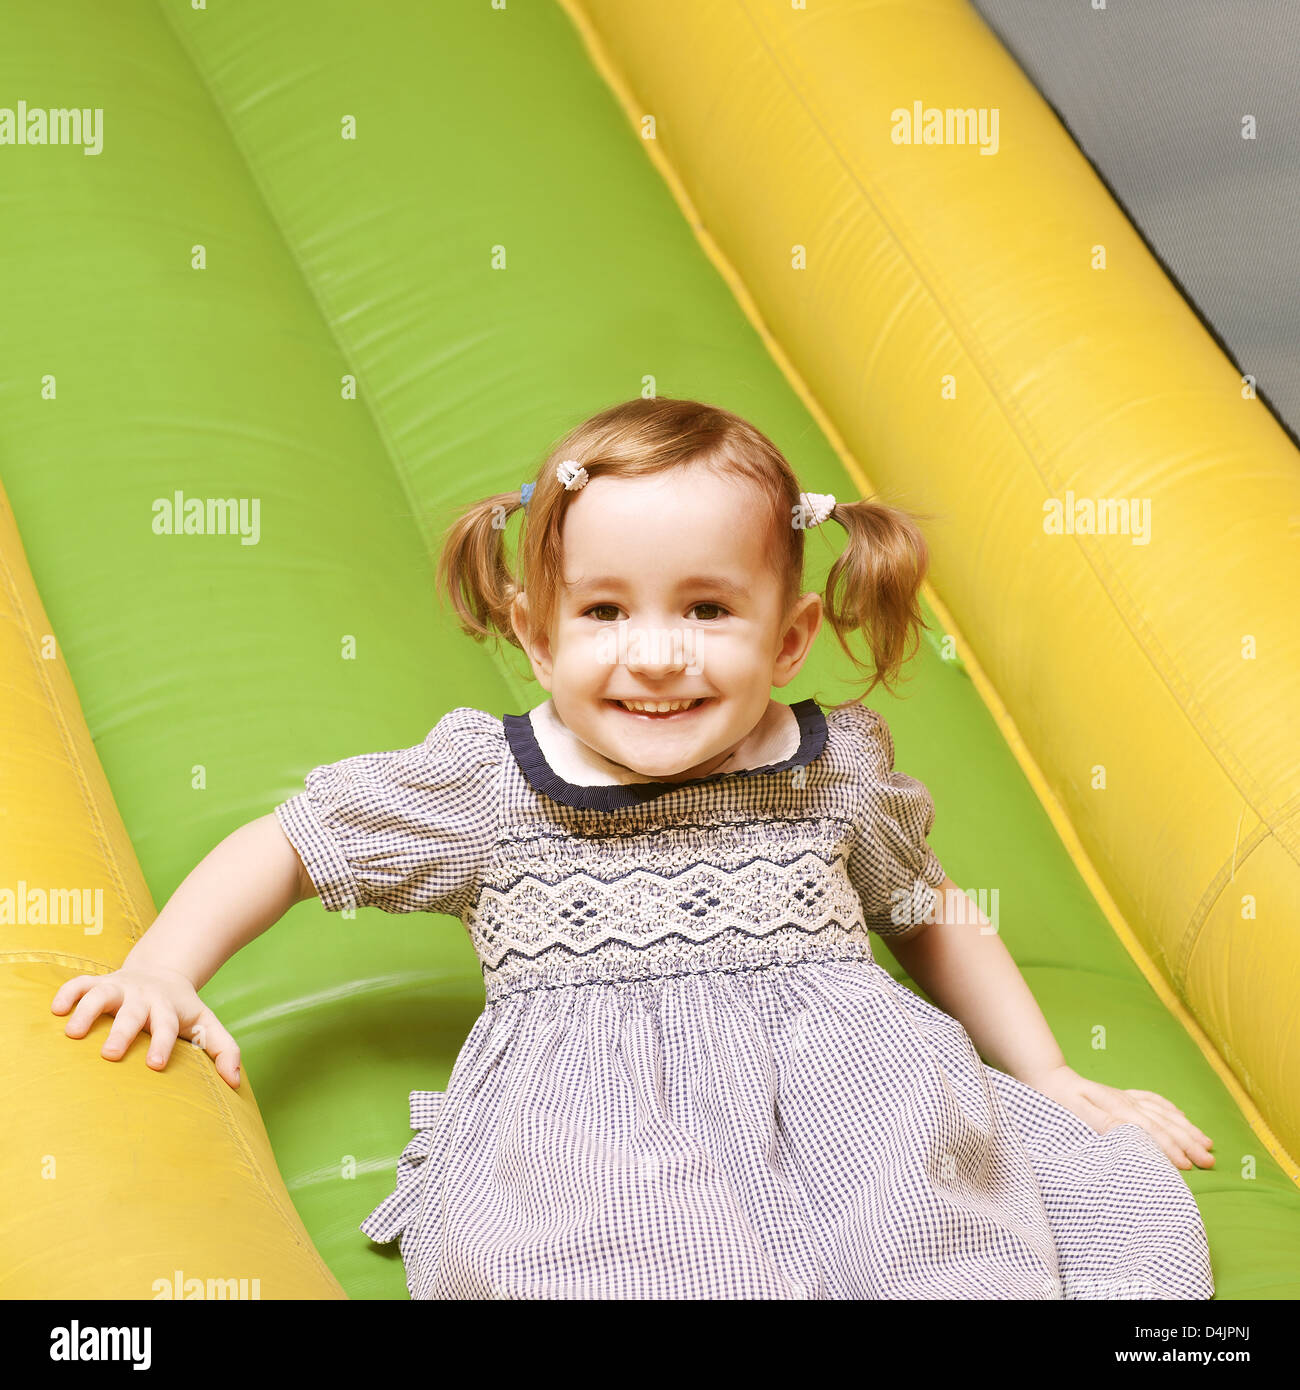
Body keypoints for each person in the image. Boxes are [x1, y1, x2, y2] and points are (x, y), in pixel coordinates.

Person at [51, 396, 1215, 1300]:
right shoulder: (490, 783)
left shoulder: (830, 769)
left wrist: (1047, 1074)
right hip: (596, 1146)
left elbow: (924, 909)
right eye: (606, 612)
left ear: (791, 633)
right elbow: (295, 841)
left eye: (707, 609)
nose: (655, 654)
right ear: (537, 632)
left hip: (858, 1116)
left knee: (985, 1238)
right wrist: (163, 965)